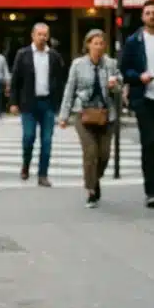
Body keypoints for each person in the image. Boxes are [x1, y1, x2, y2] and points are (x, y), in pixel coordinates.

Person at [58, 30, 122, 207]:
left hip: (105, 115)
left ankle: (95, 178)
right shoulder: (78, 64)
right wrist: (64, 116)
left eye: (102, 43)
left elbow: (119, 85)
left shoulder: (111, 63)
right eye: (95, 43)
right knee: (90, 152)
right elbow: (69, 90)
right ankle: (91, 191)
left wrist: (115, 84)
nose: (99, 47)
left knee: (105, 154)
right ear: (88, 44)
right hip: (83, 114)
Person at [119, 0, 154, 208]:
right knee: (148, 143)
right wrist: (138, 76)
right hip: (144, 99)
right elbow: (125, 69)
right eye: (147, 13)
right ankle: (149, 191)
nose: (151, 16)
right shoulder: (134, 41)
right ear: (143, 17)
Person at [8, 23, 65, 186]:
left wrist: (60, 104)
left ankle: (43, 175)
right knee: (28, 137)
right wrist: (13, 102)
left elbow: (60, 80)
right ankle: (26, 164)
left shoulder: (54, 56)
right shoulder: (23, 54)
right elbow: (15, 80)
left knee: (47, 141)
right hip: (29, 103)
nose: (42, 38)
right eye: (39, 34)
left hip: (47, 103)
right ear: (33, 35)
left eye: (45, 34)